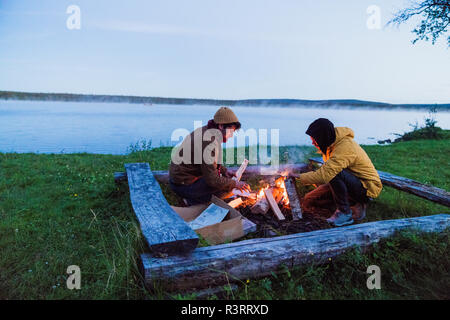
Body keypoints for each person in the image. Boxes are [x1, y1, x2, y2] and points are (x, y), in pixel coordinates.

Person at [292, 118, 382, 226]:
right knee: (309, 199)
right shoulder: (330, 144)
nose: (312, 142)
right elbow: (326, 175)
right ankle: (352, 204)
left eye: (314, 139)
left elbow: (326, 174)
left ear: (323, 136)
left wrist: (298, 176)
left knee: (333, 172)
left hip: (366, 187)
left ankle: (345, 212)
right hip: (350, 181)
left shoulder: (345, 146)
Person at [169, 107, 251, 205]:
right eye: (231, 131)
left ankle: (194, 198)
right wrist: (235, 184)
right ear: (221, 126)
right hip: (182, 186)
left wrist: (225, 171)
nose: (231, 135)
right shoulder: (209, 142)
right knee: (227, 190)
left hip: (180, 180)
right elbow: (212, 180)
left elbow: (209, 163)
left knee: (224, 181)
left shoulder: (207, 131)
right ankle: (191, 201)